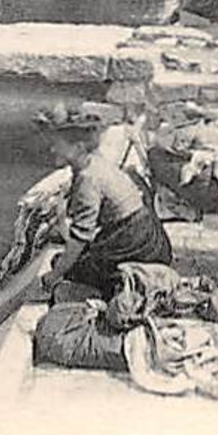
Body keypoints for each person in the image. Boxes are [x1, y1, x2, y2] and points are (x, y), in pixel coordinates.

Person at [34, 103, 172, 300]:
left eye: (58, 145)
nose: (52, 149)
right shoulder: (96, 162)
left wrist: (53, 277)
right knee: (71, 260)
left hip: (135, 243)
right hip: (146, 237)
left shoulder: (87, 178)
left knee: (66, 266)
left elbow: (80, 238)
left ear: (79, 147)